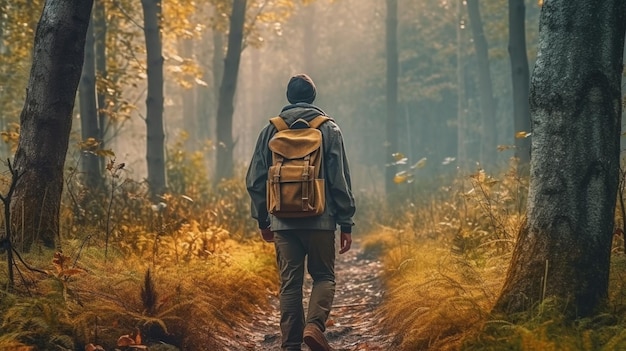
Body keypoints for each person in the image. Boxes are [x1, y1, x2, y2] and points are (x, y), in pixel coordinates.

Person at [246, 73, 356, 351]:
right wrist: (346, 222)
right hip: (322, 219)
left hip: (282, 221)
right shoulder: (328, 129)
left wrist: (263, 220)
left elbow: (256, 180)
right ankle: (315, 327)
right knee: (324, 276)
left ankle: (291, 344)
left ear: (288, 97)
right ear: (313, 97)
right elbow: (339, 179)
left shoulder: (271, 131)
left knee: (290, 285)